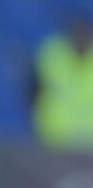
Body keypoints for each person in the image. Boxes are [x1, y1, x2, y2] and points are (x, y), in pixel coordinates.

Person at [31, 14, 93, 149]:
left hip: (90, 144)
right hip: (55, 140)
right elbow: (33, 91)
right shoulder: (53, 57)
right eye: (78, 34)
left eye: (85, 34)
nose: (81, 39)